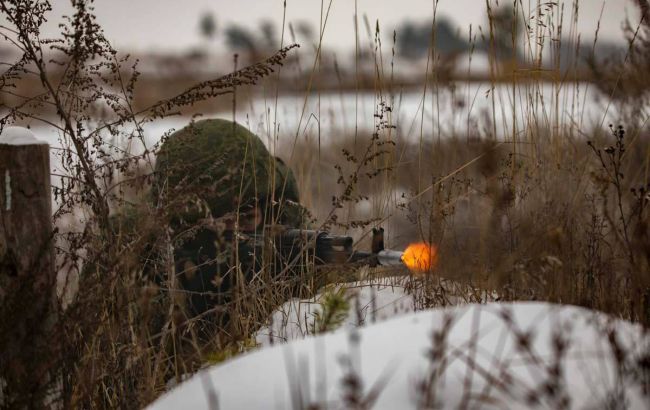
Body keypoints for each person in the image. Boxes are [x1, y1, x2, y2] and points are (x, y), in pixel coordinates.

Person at [152, 118, 304, 331]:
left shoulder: (289, 253)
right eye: (219, 225)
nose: (236, 236)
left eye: (248, 218)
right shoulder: (145, 273)